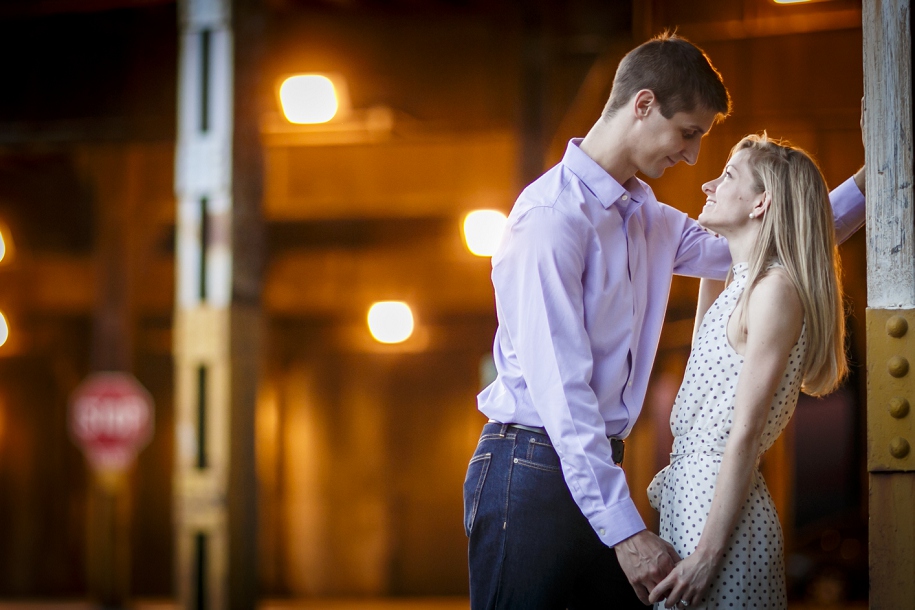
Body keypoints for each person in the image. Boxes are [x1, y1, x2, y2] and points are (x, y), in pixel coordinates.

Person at [463, 32, 865, 608]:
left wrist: (876, 183)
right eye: (688, 133)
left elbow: (776, 235)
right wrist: (625, 531)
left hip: (597, 472)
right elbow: (562, 396)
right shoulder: (551, 220)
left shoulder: (647, 219)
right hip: (530, 467)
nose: (694, 156)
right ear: (643, 105)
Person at [647, 134, 846, 609]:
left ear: (762, 202)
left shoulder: (775, 289)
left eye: (728, 175)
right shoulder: (741, 284)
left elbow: (744, 432)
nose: (708, 185)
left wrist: (706, 555)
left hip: (721, 524)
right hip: (692, 505)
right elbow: (702, 365)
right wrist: (710, 251)